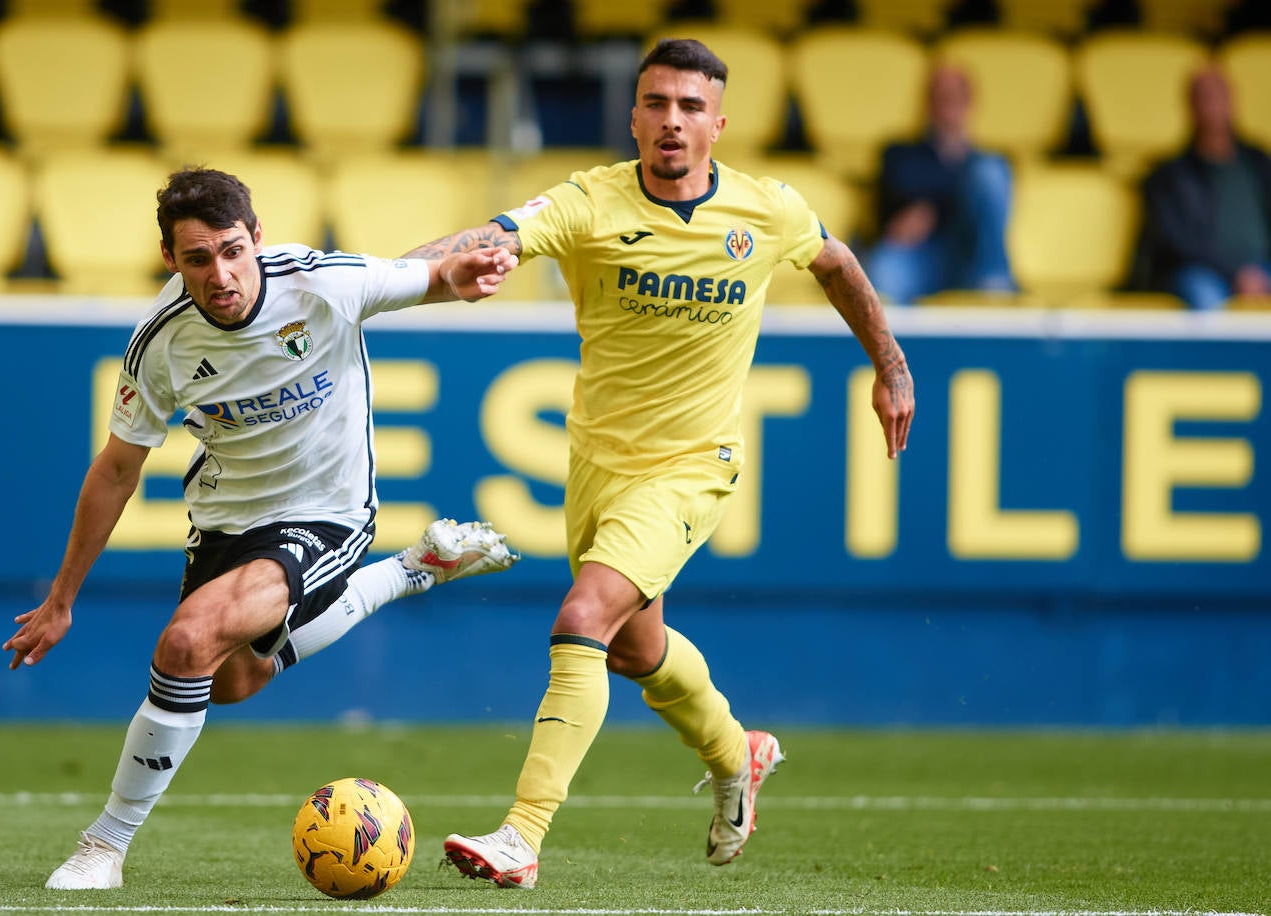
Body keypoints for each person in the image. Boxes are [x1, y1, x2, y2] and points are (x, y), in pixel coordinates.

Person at [404, 38, 915, 890]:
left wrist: (890, 365)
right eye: (656, 104)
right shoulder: (589, 201)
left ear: (718, 122)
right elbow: (486, 235)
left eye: (689, 106)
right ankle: (737, 753)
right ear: (633, 116)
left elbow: (836, 263)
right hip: (596, 460)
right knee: (638, 651)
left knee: (584, 620)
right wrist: (377, 285)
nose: (671, 121)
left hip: (691, 464)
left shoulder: (765, 210)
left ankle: (522, 836)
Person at [1, 167, 521, 890]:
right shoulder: (161, 343)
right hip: (225, 522)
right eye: (197, 259)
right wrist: (61, 599)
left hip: (327, 511)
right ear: (170, 261)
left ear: (258, 240)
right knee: (231, 679)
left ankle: (103, 846)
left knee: (186, 642)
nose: (221, 275)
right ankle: (408, 572)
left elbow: (425, 272)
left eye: (232, 250)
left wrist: (458, 271)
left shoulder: (320, 284)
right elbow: (116, 470)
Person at [861, 63, 1014, 304]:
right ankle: (889, 342)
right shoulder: (899, 153)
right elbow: (891, 209)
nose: (949, 103)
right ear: (928, 102)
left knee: (990, 173)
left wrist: (931, 207)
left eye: (957, 95)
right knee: (884, 270)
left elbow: (985, 215)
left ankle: (995, 289)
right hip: (918, 254)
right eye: (942, 96)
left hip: (974, 255)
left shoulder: (988, 163)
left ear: (970, 101)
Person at [1138, 65, 1271, 310]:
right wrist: (1235, 274)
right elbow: (1177, 244)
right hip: (1204, 271)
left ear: (1233, 100)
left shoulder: (1259, 162)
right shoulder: (1170, 175)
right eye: (1203, 97)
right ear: (1189, 106)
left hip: (1262, 267)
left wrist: (1254, 274)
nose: (1213, 105)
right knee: (1204, 295)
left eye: (1219, 95)